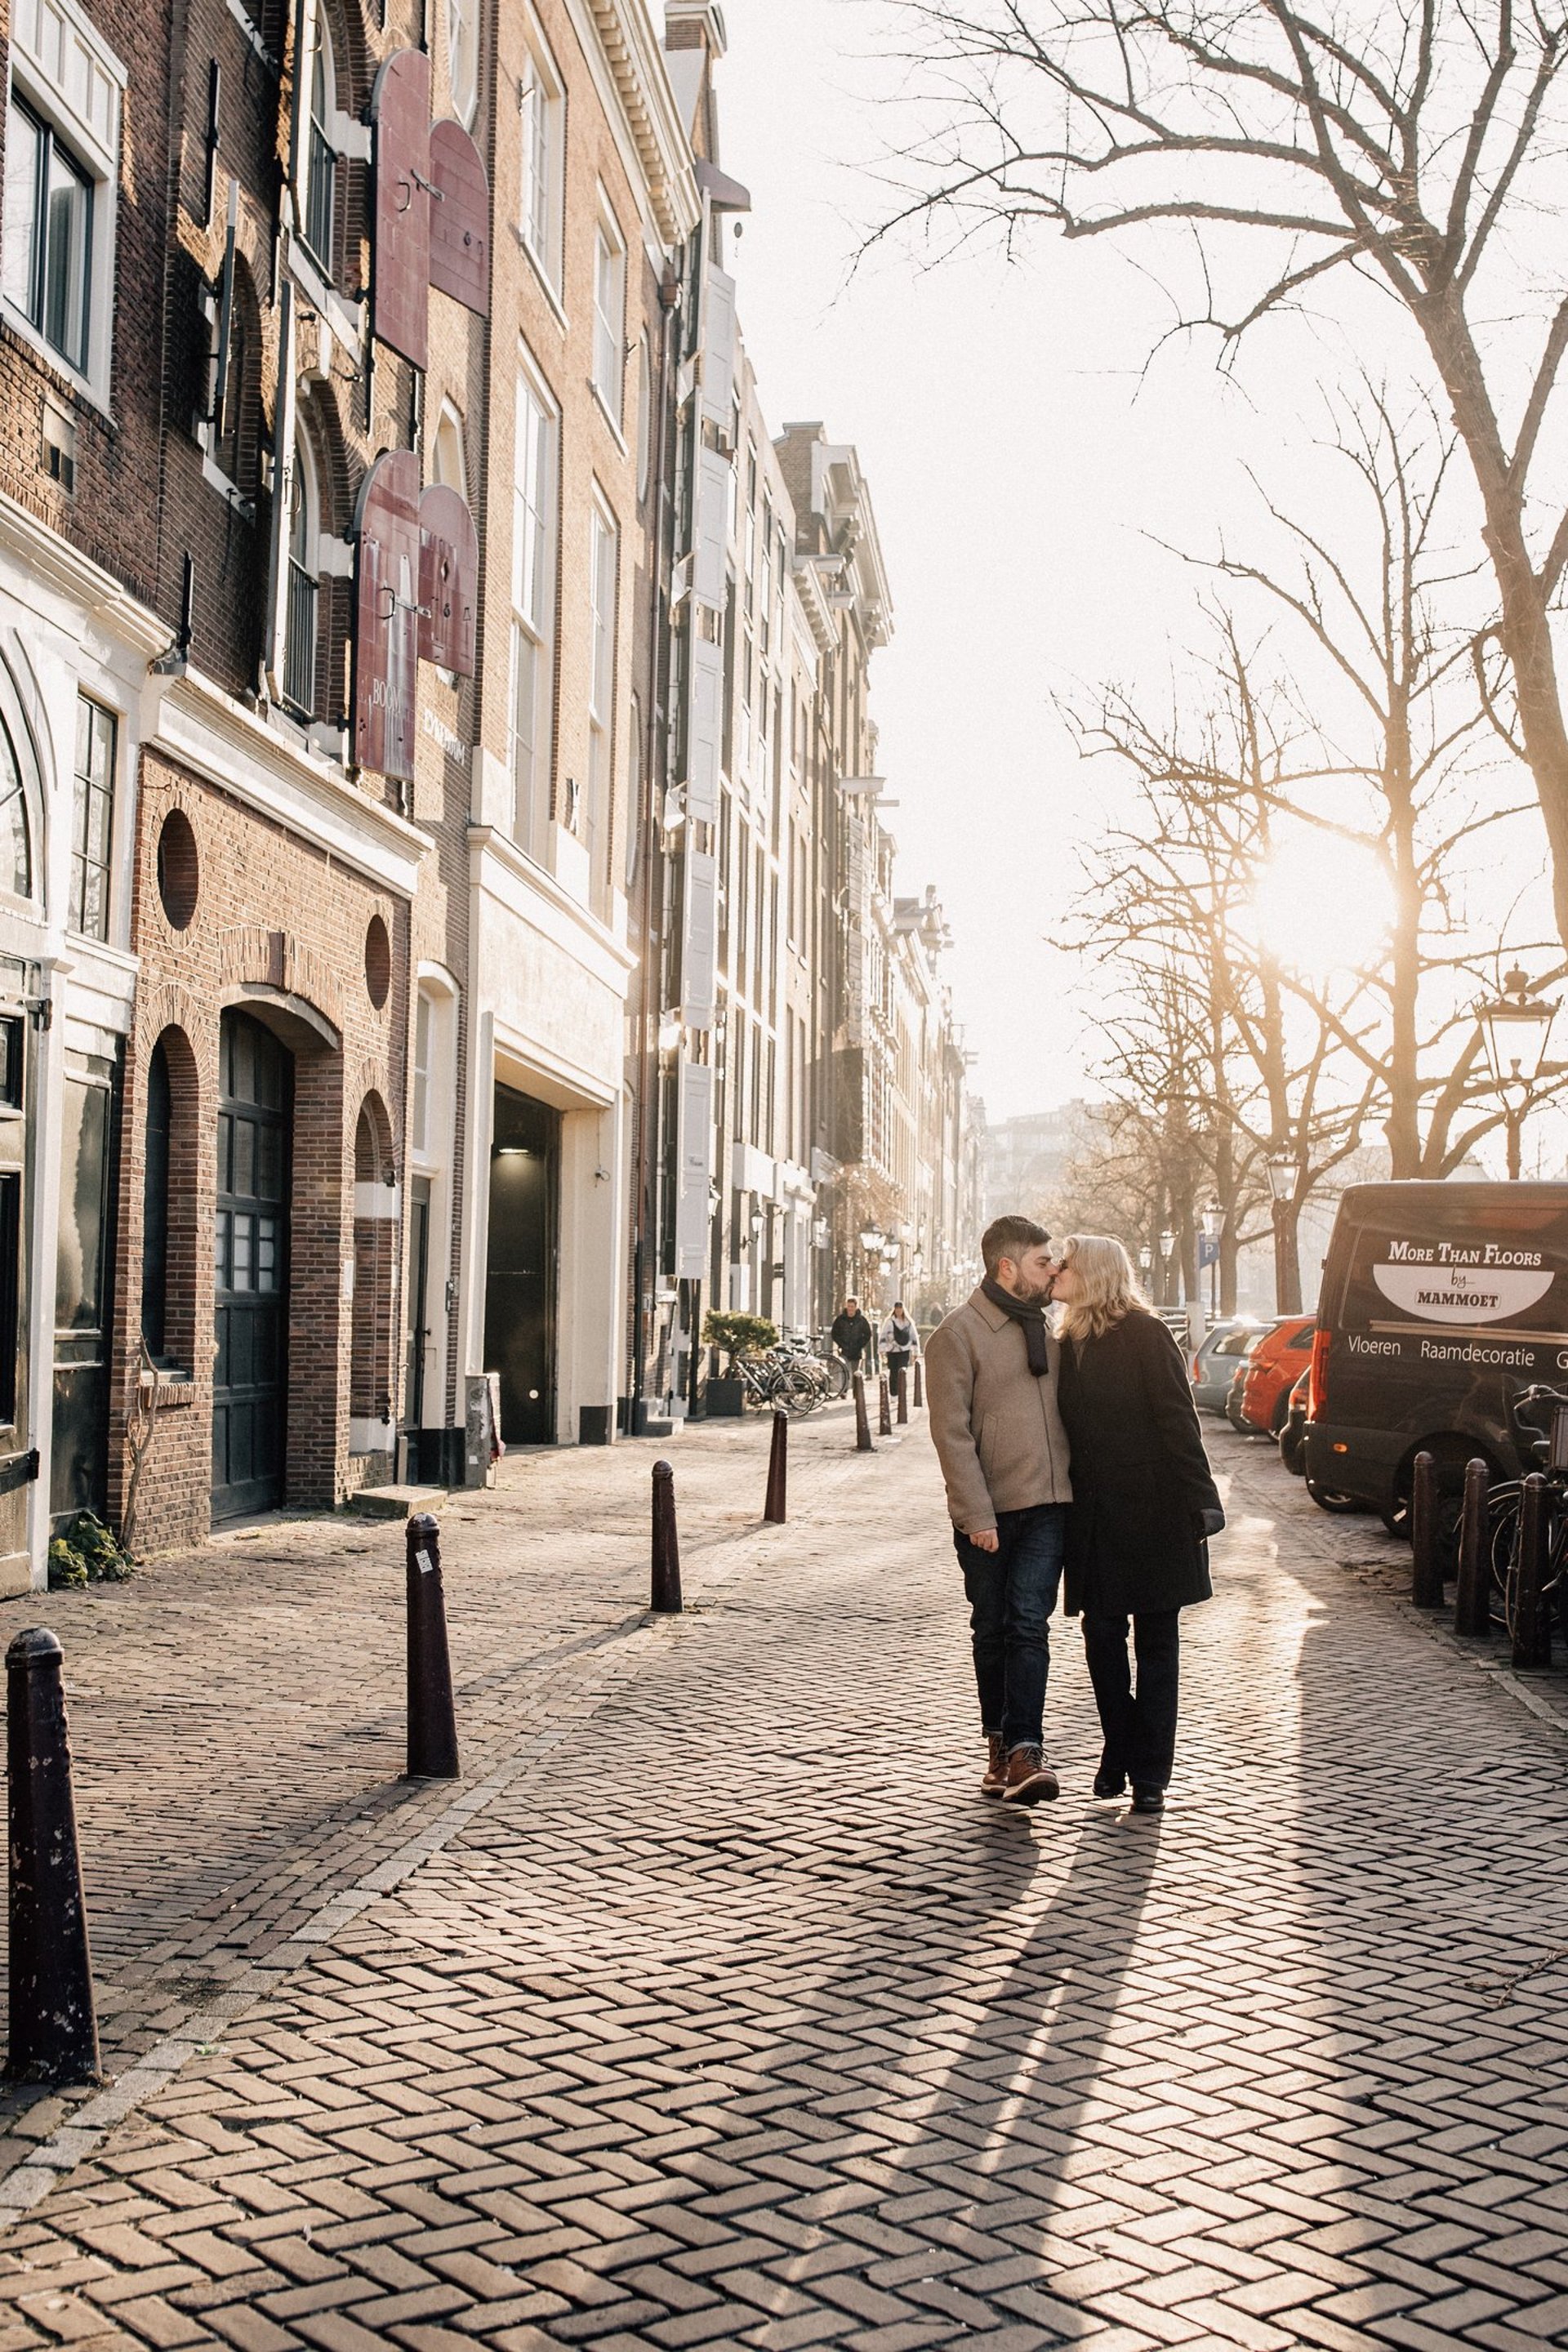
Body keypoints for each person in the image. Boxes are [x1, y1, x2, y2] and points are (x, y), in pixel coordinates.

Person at [1054, 1234, 1224, 1816]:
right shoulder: (1065, 1342)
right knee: (1101, 1635)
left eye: (1066, 1265)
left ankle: (1150, 1774)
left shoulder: (1149, 1335)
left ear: (1093, 1274)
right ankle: (1120, 1747)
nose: (1056, 1271)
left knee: (1156, 1644)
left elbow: (1179, 1419)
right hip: (1094, 1514)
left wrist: (1203, 1499)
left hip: (1154, 1509)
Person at [924, 1215, 1071, 1806]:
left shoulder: (1055, 1331)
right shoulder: (956, 1336)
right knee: (992, 1628)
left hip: (1050, 1507)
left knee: (1028, 1623)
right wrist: (975, 1513)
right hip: (988, 1513)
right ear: (1006, 1267)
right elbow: (951, 1433)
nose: (1052, 1270)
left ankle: (1025, 1751)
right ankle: (998, 1745)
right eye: (1042, 1261)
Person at [880, 1300, 919, 1396]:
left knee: (902, 1371)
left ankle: (901, 1392)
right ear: (894, 1310)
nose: (898, 1311)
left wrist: (915, 1351)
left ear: (903, 1310)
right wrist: (882, 1349)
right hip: (892, 1350)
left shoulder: (908, 1323)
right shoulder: (889, 1322)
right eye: (897, 1309)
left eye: (900, 1309)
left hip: (904, 1350)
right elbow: (883, 1336)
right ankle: (893, 1394)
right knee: (893, 1372)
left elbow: (914, 1336)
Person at [830, 1297, 871, 1378]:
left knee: (855, 1374)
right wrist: (841, 1343)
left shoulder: (861, 1320)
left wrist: (860, 1344)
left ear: (856, 1307)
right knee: (844, 1373)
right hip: (844, 1350)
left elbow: (867, 1334)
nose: (850, 1309)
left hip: (856, 1351)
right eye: (849, 1306)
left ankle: (855, 1389)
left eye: (852, 1307)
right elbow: (834, 1333)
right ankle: (845, 1389)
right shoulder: (840, 1320)